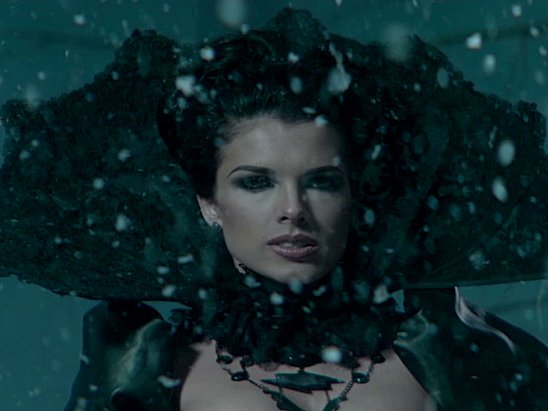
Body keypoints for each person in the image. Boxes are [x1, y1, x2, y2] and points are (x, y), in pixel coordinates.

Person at [1, 8, 547, 411]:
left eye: (322, 182)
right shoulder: (145, 368)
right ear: (209, 203)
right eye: (257, 182)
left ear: (354, 195)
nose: (293, 210)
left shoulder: (447, 356)